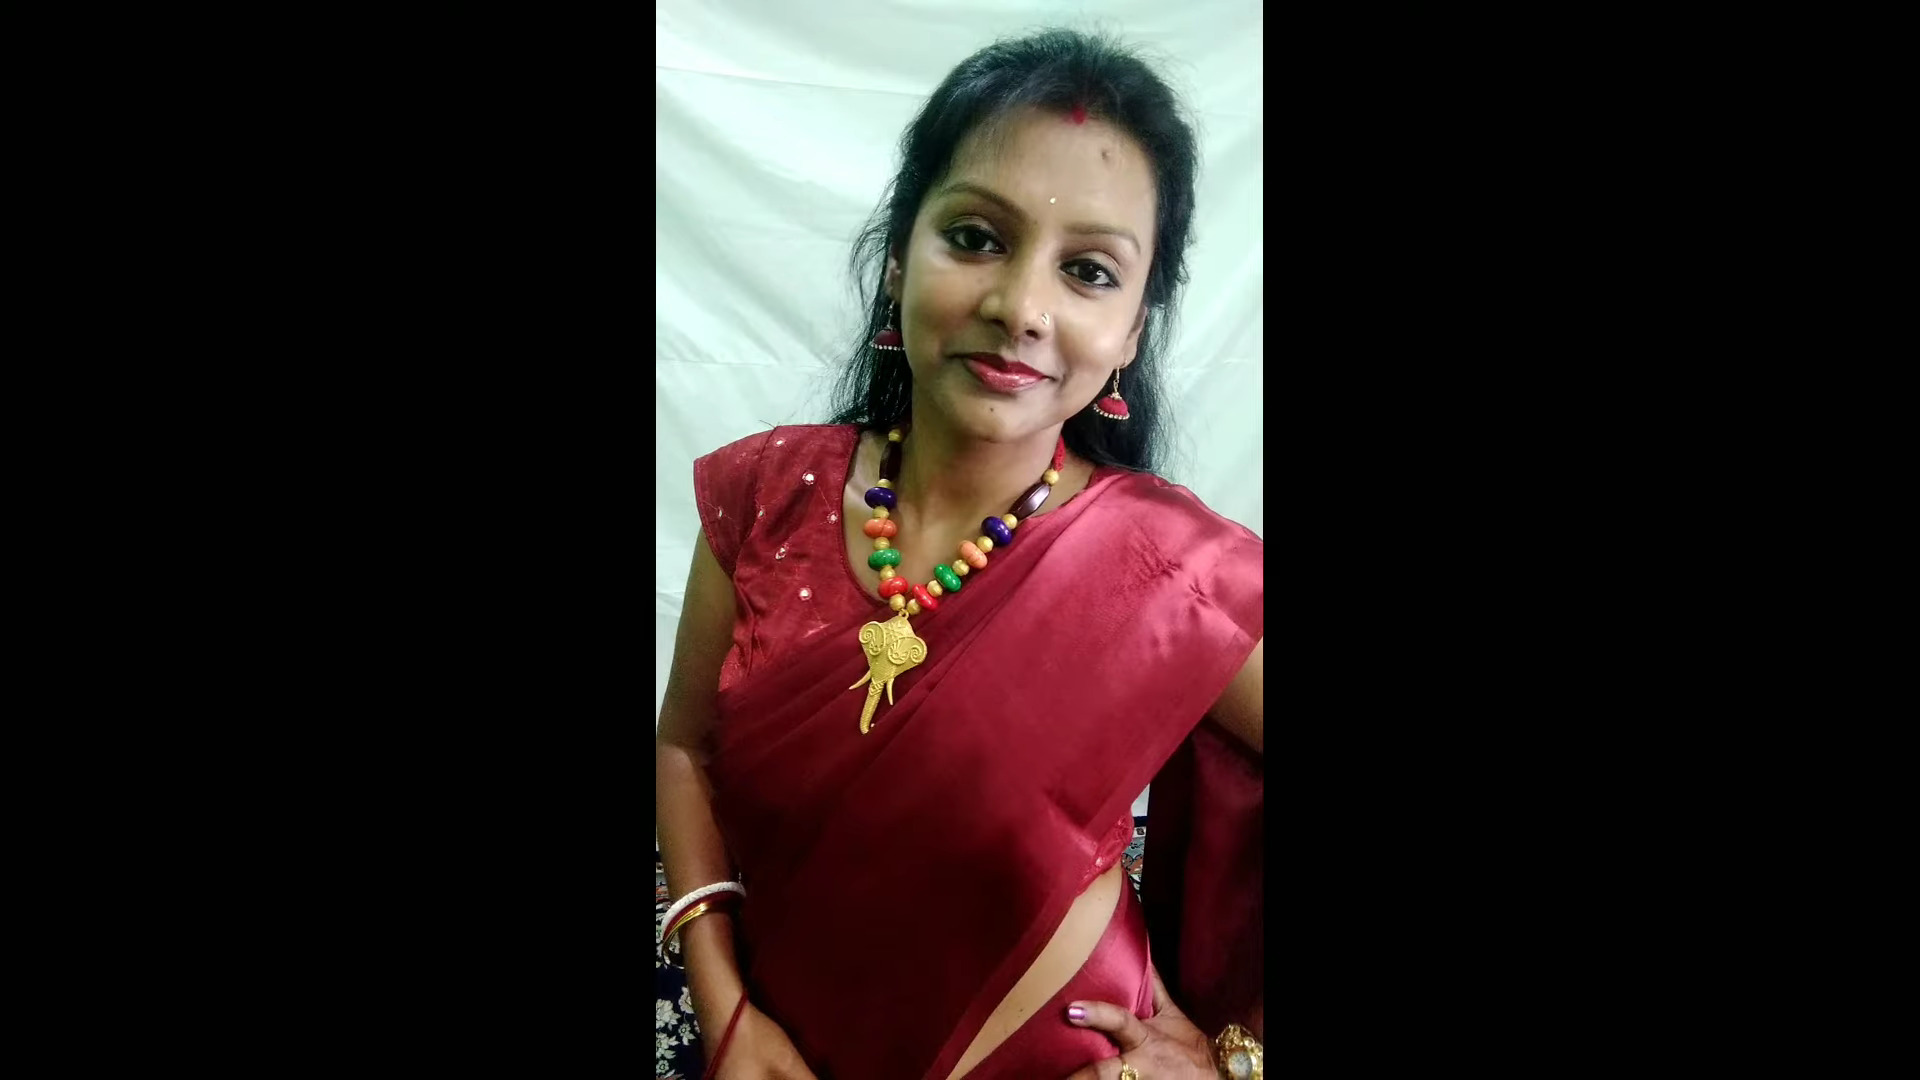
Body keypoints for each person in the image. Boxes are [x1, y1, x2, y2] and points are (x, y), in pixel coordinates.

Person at [656, 28, 1263, 1080]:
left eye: (1088, 271)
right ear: (899, 257)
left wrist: (1239, 1053)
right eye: (977, 238)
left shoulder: (1178, 575)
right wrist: (727, 1011)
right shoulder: (763, 498)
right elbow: (683, 749)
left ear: (1132, 330)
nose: (1020, 307)